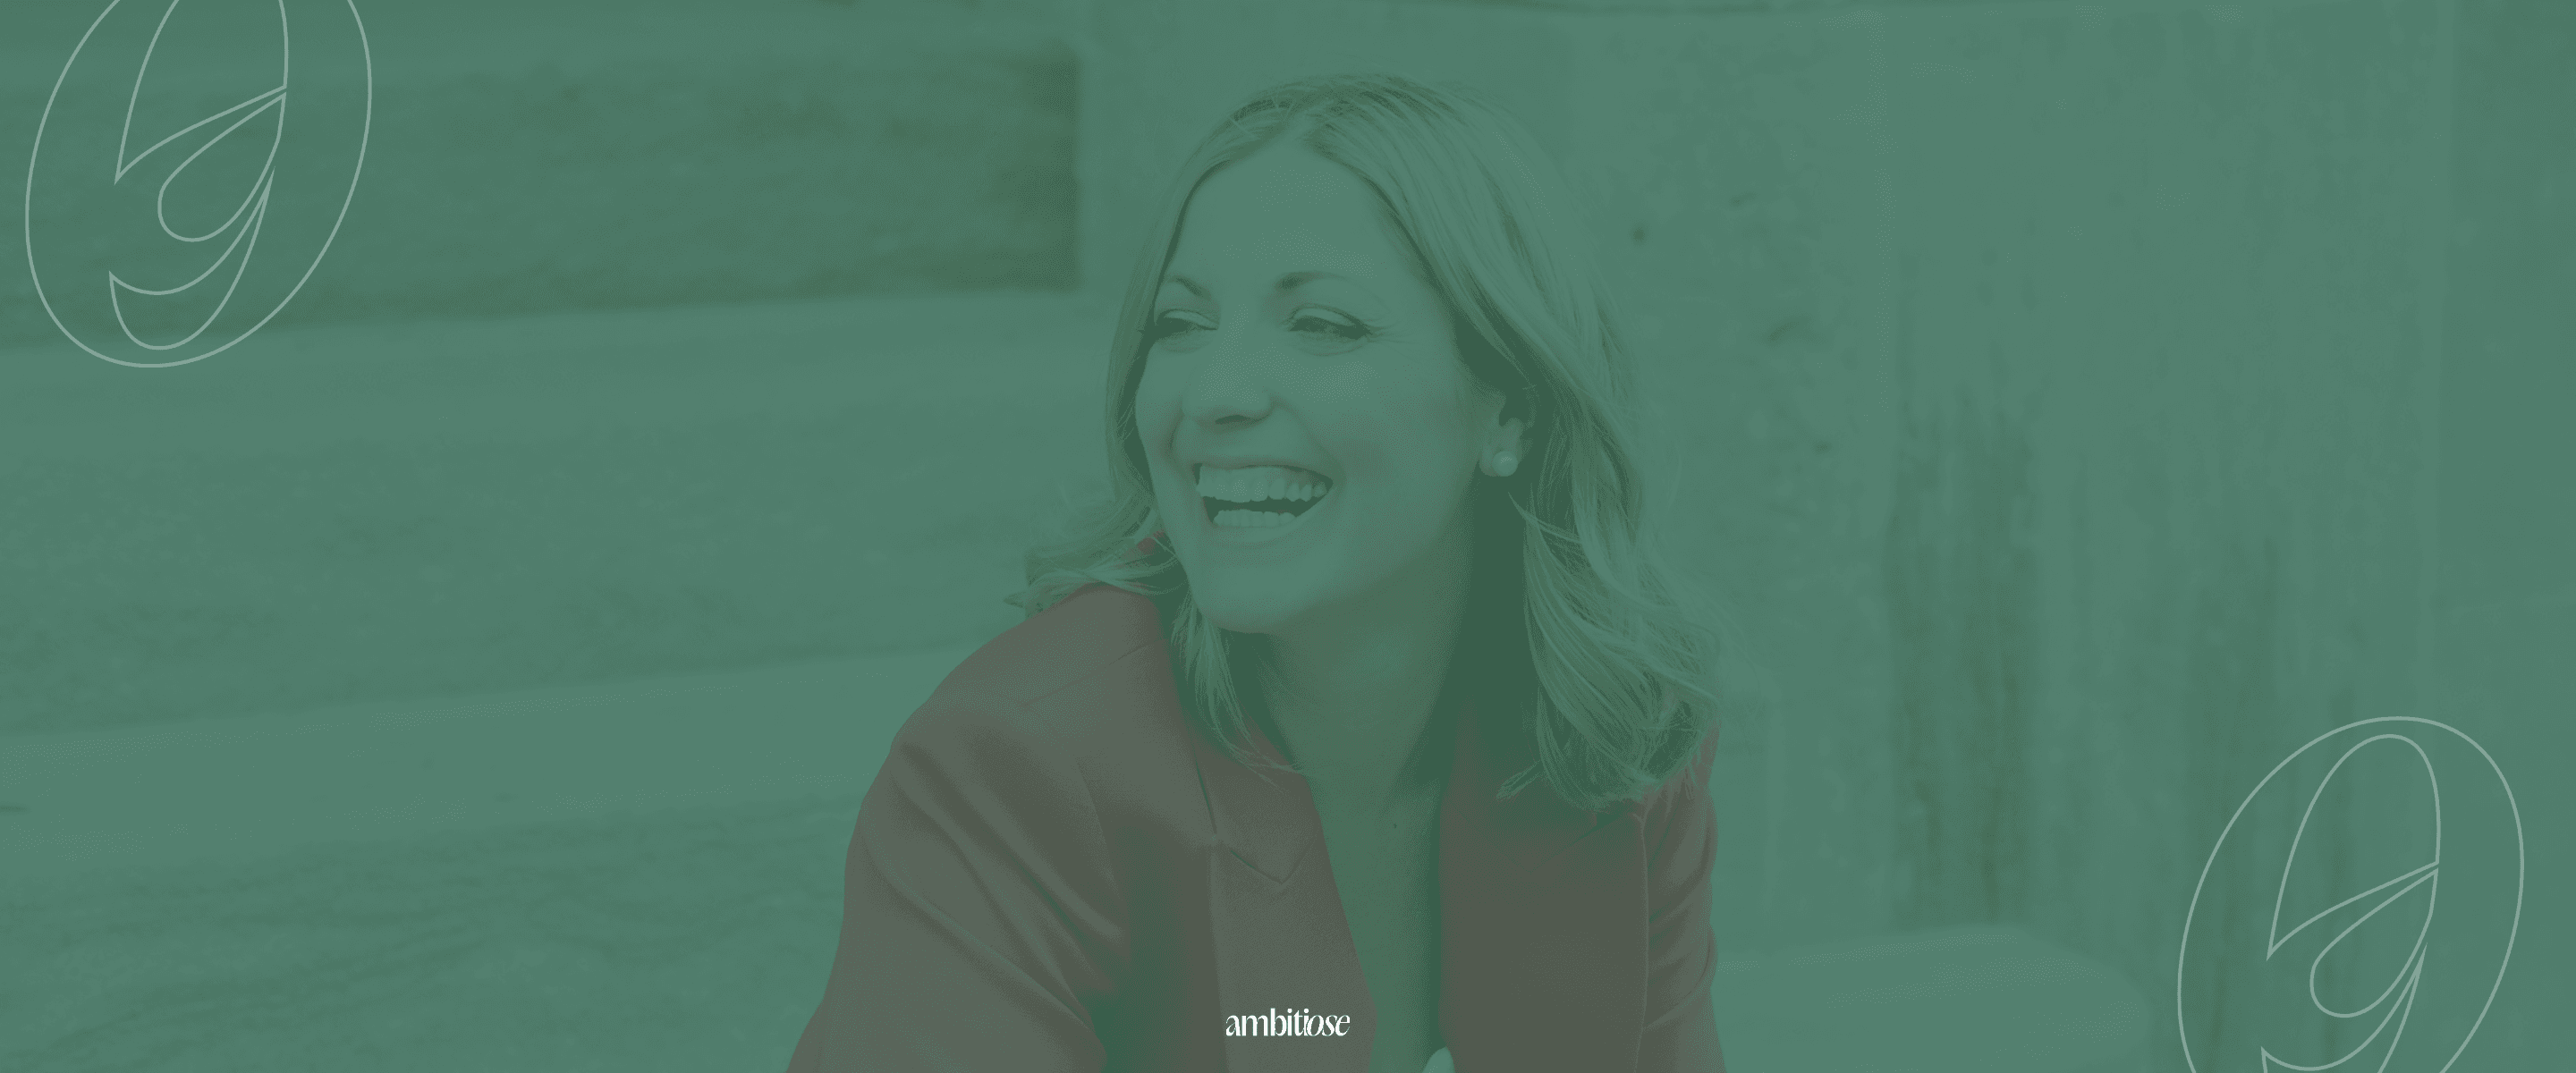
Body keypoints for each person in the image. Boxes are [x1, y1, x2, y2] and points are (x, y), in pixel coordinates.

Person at [786, 72, 1732, 1073]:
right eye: (1179, 324)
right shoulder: (1014, 764)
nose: (1214, 393)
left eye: (1322, 324)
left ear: (1511, 409)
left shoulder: (1609, 724)